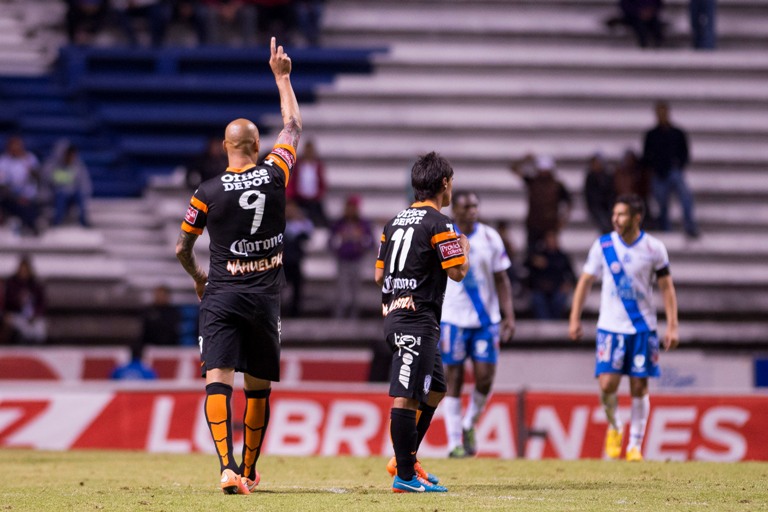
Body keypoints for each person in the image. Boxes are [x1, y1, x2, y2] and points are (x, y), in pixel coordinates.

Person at [175, 37, 301, 495]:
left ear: (227, 146)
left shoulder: (205, 192)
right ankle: (249, 469)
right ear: (256, 144)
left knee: (217, 380)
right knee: (259, 386)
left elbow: (181, 248)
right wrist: (282, 78)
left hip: (222, 293)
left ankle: (226, 467)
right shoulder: (275, 173)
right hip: (264, 300)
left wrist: (198, 279)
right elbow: (293, 126)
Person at [375, 151, 469, 493]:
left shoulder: (394, 221)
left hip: (396, 313)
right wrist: (465, 248)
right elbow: (457, 273)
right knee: (408, 396)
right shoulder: (440, 225)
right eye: (452, 182)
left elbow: (378, 275)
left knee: (437, 388)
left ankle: (406, 457)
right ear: (444, 184)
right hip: (416, 319)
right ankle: (404, 475)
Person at [569, 194, 679, 462]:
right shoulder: (603, 245)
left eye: (622, 215)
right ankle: (616, 426)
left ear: (636, 217)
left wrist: (672, 326)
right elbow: (585, 281)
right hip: (610, 327)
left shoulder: (654, 248)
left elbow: (666, 288)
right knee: (607, 384)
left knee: (639, 386)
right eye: (614, 214)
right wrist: (575, 317)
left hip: (642, 328)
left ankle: (635, 446)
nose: (615, 219)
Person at [439, 191, 515, 458]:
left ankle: (469, 423)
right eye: (466, 206)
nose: (472, 210)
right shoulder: (444, 235)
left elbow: (502, 278)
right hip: (453, 318)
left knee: (484, 378)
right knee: (454, 378)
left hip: (486, 320)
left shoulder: (490, 237)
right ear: (455, 210)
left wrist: (509, 315)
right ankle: (453, 443)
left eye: (475, 206)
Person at [642, 100, 699, 238]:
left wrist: (679, 165)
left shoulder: (677, 133)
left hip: (674, 171)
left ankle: (689, 226)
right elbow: (646, 154)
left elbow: (684, 152)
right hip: (659, 173)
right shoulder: (651, 135)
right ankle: (666, 229)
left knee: (685, 198)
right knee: (662, 203)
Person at [510, 153, 571, 253]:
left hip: (550, 226)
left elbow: (568, 202)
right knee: (531, 254)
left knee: (551, 254)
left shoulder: (557, 186)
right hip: (533, 224)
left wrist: (563, 220)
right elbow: (514, 169)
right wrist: (524, 160)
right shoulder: (533, 181)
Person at [328, 195, 374, 319]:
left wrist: (360, 241)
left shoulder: (363, 224)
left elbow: (370, 242)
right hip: (342, 260)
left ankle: (354, 315)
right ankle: (339, 315)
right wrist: (341, 240)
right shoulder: (339, 223)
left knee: (356, 290)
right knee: (341, 289)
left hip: (357, 260)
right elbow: (331, 241)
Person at [525, 230, 576, 320]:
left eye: (553, 239)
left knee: (559, 299)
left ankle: (554, 323)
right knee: (537, 299)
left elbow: (572, 276)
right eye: (549, 239)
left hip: (557, 288)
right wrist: (532, 260)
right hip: (540, 288)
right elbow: (526, 269)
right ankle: (544, 324)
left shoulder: (562, 257)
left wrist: (567, 285)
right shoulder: (538, 256)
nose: (551, 242)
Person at [42, 140, 92, 228]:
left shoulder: (78, 166)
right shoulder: (52, 164)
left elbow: (85, 184)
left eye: (72, 155)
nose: (70, 157)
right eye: (68, 154)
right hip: (55, 195)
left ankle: (83, 221)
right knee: (61, 194)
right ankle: (56, 221)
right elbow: (50, 179)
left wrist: (84, 194)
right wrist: (67, 179)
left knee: (79, 194)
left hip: (73, 195)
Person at [0, 136, 42, 235]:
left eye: (18, 146)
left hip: (30, 197)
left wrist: (33, 173)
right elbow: (2, 185)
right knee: (22, 207)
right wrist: (17, 197)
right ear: (8, 147)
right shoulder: (3, 161)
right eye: (13, 146)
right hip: (11, 198)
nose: (16, 149)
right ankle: (28, 228)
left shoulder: (30, 159)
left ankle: (31, 229)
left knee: (31, 205)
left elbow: (38, 179)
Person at [3, 256, 47, 344]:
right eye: (22, 270)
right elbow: (7, 302)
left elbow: (41, 303)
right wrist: (18, 300)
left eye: (25, 270)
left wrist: (36, 314)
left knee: (39, 330)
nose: (23, 273)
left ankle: (38, 349)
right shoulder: (12, 283)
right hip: (17, 315)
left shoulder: (35, 285)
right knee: (22, 329)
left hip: (33, 317)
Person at [287, 138, 328, 227]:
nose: (308, 152)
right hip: (299, 199)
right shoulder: (298, 165)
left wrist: (318, 195)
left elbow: (322, 183)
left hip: (314, 200)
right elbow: (293, 181)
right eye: (307, 150)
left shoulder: (318, 166)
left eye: (310, 150)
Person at [282, 199, 313, 317]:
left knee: (297, 288)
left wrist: (301, 220)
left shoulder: (300, 226)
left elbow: (308, 233)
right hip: (281, 263)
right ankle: (280, 310)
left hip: (295, 262)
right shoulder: (279, 224)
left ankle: (294, 311)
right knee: (279, 289)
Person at [584, 152, 614, 235]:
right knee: (603, 219)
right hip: (595, 207)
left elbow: (611, 194)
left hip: (607, 205)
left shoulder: (607, 176)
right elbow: (589, 196)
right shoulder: (590, 178)